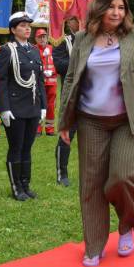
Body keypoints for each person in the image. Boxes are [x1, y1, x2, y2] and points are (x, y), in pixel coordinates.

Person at [57, 0, 134, 267]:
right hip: (91, 120)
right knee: (91, 185)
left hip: (130, 120)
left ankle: (126, 225)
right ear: (99, 8)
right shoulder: (82, 38)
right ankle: (94, 245)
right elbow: (70, 80)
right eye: (111, 7)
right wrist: (64, 120)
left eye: (121, 7)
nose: (116, 12)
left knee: (121, 177)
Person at [0, 12, 47, 201]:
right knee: (16, 147)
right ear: (13, 30)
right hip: (15, 107)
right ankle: (16, 187)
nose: (27, 28)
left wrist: (43, 106)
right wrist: (3, 108)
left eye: (28, 25)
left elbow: (39, 79)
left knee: (27, 147)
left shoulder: (33, 50)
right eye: (23, 25)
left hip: (32, 106)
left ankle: (26, 184)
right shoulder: (7, 50)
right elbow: (0, 81)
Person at [52, 16, 80, 187]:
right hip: (72, 97)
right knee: (67, 136)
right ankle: (62, 173)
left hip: (93, 97)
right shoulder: (63, 42)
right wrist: (81, 63)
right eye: (73, 20)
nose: (77, 22)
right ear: (68, 23)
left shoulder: (95, 40)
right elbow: (59, 64)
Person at [34, 28, 57, 136]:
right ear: (36, 39)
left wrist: (52, 72)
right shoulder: (33, 49)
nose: (42, 39)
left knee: (51, 106)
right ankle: (37, 128)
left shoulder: (52, 49)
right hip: (40, 82)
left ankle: (50, 129)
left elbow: (58, 63)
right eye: (40, 37)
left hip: (52, 82)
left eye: (44, 37)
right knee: (38, 105)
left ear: (47, 38)